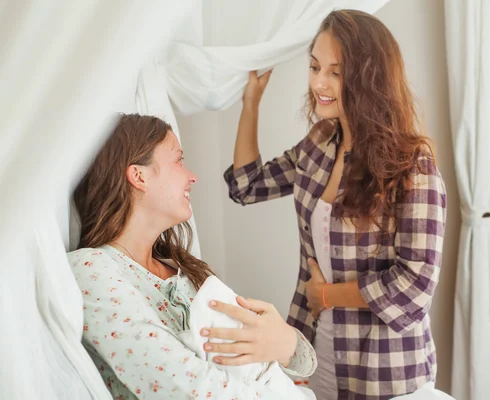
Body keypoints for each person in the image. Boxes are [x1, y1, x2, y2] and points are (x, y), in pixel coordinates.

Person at [224, 9, 448, 400]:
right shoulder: (320, 141)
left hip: (384, 368)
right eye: (314, 67)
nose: (319, 83)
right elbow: (248, 186)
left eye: (335, 72)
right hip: (311, 355)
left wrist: (326, 296)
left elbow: (415, 285)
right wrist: (251, 104)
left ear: (368, 79)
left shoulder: (412, 166)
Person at [69, 113, 317, 399]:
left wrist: (287, 345)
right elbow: (192, 390)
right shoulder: (92, 271)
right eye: (178, 160)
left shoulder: (184, 271)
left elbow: (298, 363)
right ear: (139, 176)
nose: (192, 177)